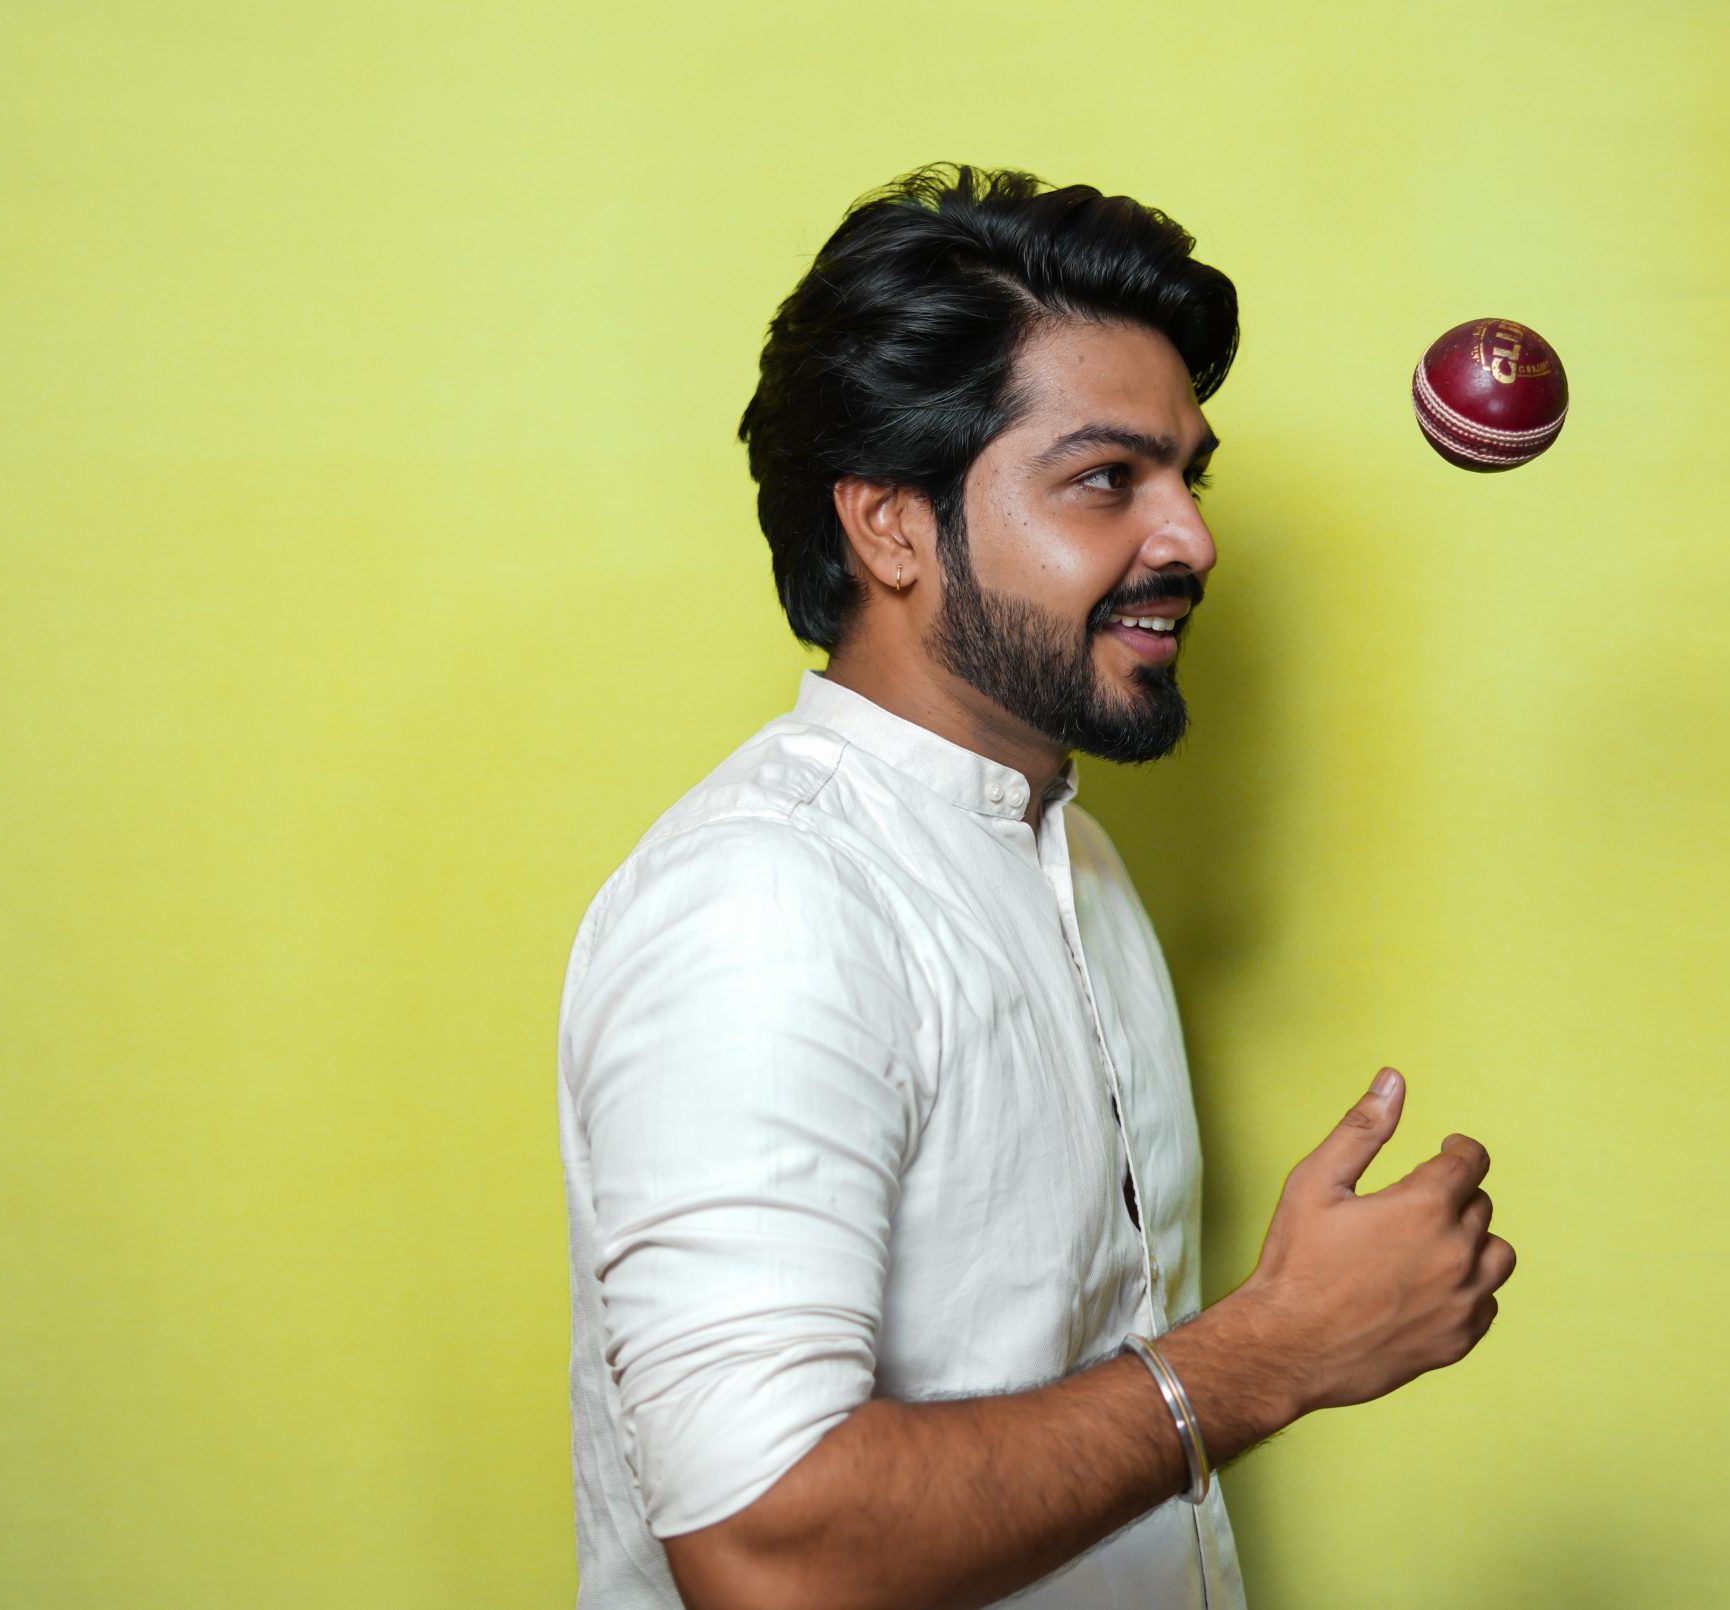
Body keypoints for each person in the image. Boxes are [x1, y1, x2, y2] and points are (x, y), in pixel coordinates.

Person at [556, 163, 1516, 1610]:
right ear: (889, 525)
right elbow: (766, 1550)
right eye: (1106, 478)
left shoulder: (1071, 852)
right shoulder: (763, 905)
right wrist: (1276, 1347)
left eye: (1190, 474)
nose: (1188, 535)